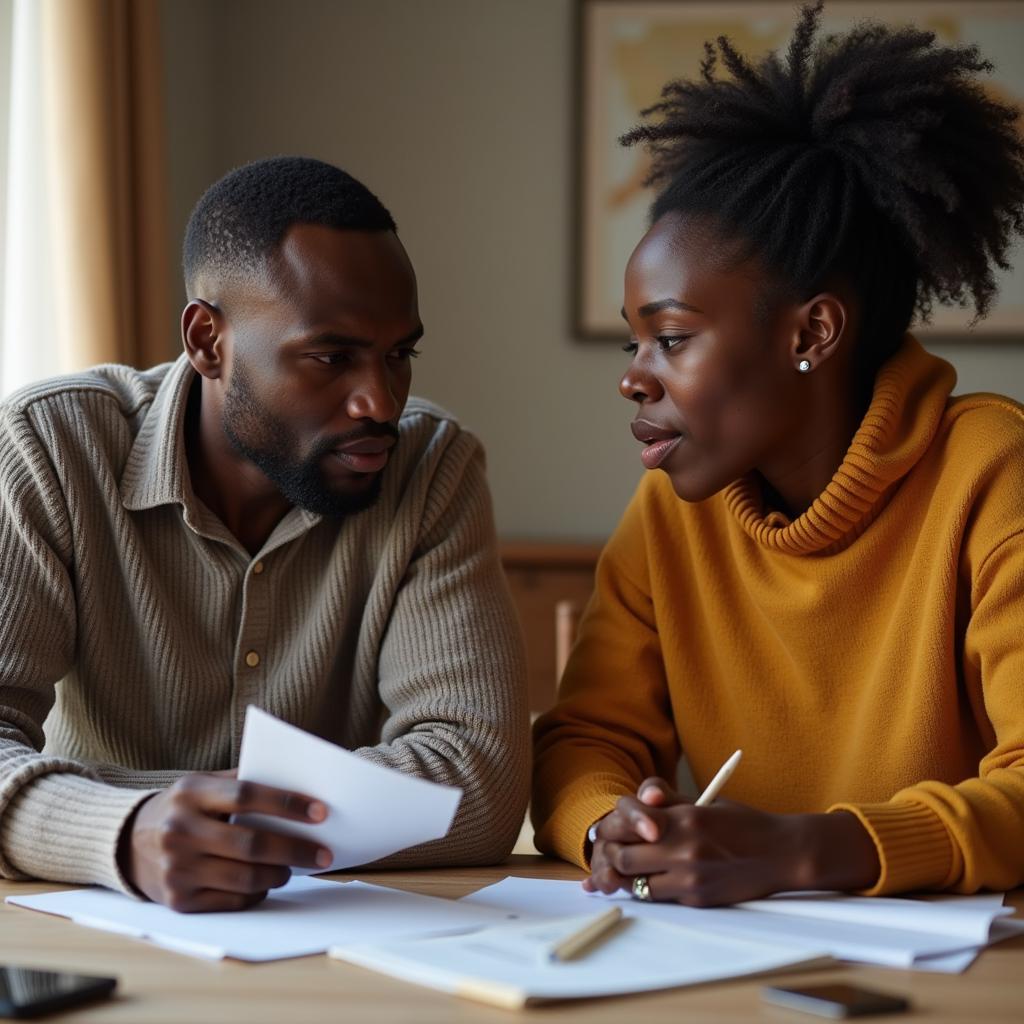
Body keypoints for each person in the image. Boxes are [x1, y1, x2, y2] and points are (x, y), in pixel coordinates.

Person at [533, 1, 1024, 905]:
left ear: (814, 332)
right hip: (734, 961)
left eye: (671, 339)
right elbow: (585, 741)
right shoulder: (672, 507)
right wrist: (611, 823)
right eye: (631, 345)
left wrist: (809, 852)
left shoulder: (993, 473)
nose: (634, 380)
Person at [0, 156, 529, 912]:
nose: (380, 400)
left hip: (348, 942)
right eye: (330, 357)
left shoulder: (432, 468)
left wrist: (97, 806)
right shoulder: (50, 446)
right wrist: (124, 831)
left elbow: (478, 784)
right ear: (208, 340)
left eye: (398, 354)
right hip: (103, 930)